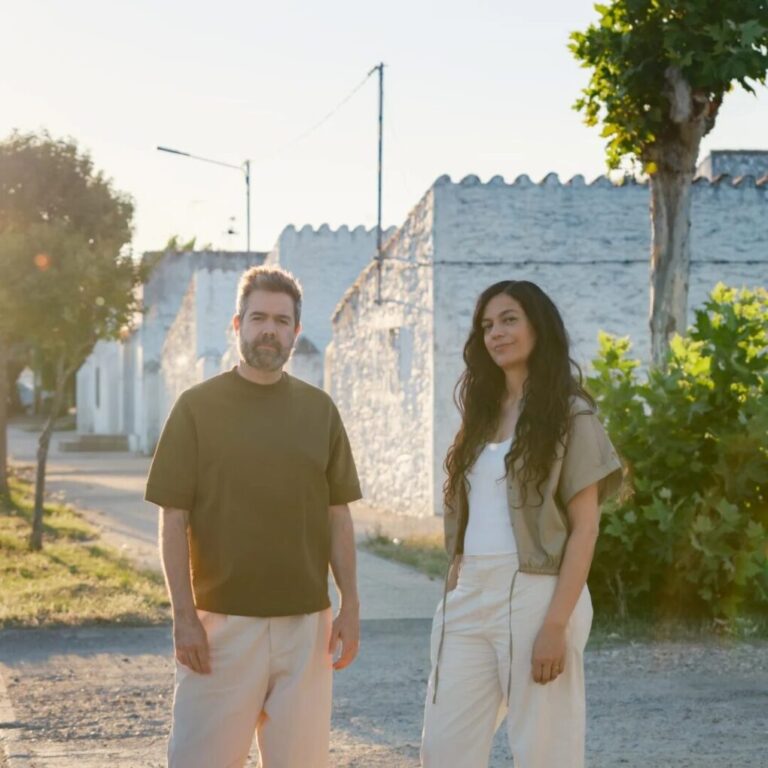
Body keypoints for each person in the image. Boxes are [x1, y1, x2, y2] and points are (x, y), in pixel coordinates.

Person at [145, 265, 362, 768]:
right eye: (259, 317)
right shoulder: (196, 408)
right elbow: (172, 519)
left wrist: (349, 604)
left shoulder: (320, 410)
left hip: (306, 627)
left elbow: (338, 515)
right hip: (222, 627)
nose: (270, 329)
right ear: (237, 324)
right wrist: (183, 618)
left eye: (282, 321)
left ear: (296, 332)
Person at [421, 280, 623, 768]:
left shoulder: (572, 415)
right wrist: (455, 582)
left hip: (538, 591)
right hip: (469, 593)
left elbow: (586, 529)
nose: (496, 333)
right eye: (487, 325)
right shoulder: (480, 417)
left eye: (509, 319)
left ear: (539, 327)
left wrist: (555, 625)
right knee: (444, 749)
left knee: (544, 751)